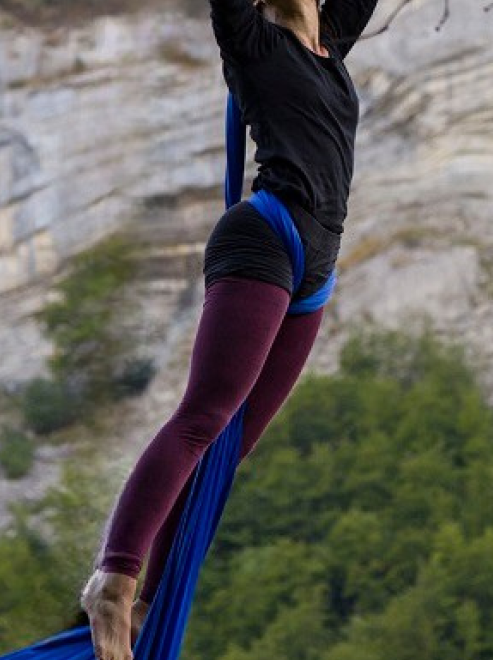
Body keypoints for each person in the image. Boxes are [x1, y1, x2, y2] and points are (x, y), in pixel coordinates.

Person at [78, 0, 379, 656]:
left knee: (230, 447)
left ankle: (149, 605)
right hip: (264, 241)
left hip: (316, 270)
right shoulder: (253, 40)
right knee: (203, 419)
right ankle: (113, 580)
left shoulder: (332, 39)